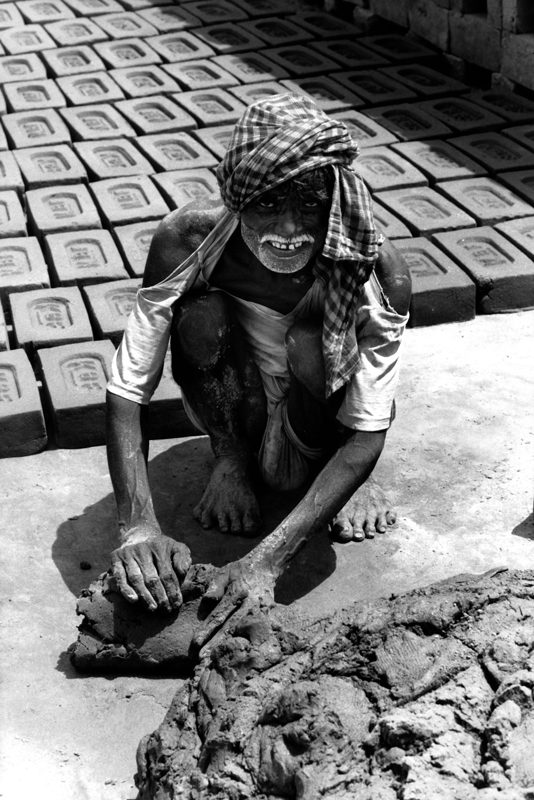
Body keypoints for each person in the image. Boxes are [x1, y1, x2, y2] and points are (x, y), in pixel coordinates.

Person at [105, 94, 411, 647]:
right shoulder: (188, 238)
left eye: (310, 206)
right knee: (199, 316)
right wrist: (138, 525)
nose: (290, 229)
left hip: (317, 403)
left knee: (309, 342)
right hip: (233, 393)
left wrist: (266, 562)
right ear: (237, 197)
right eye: (269, 205)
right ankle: (230, 457)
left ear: (333, 199)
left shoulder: (378, 269)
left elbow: (370, 428)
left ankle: (342, 475)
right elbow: (128, 387)